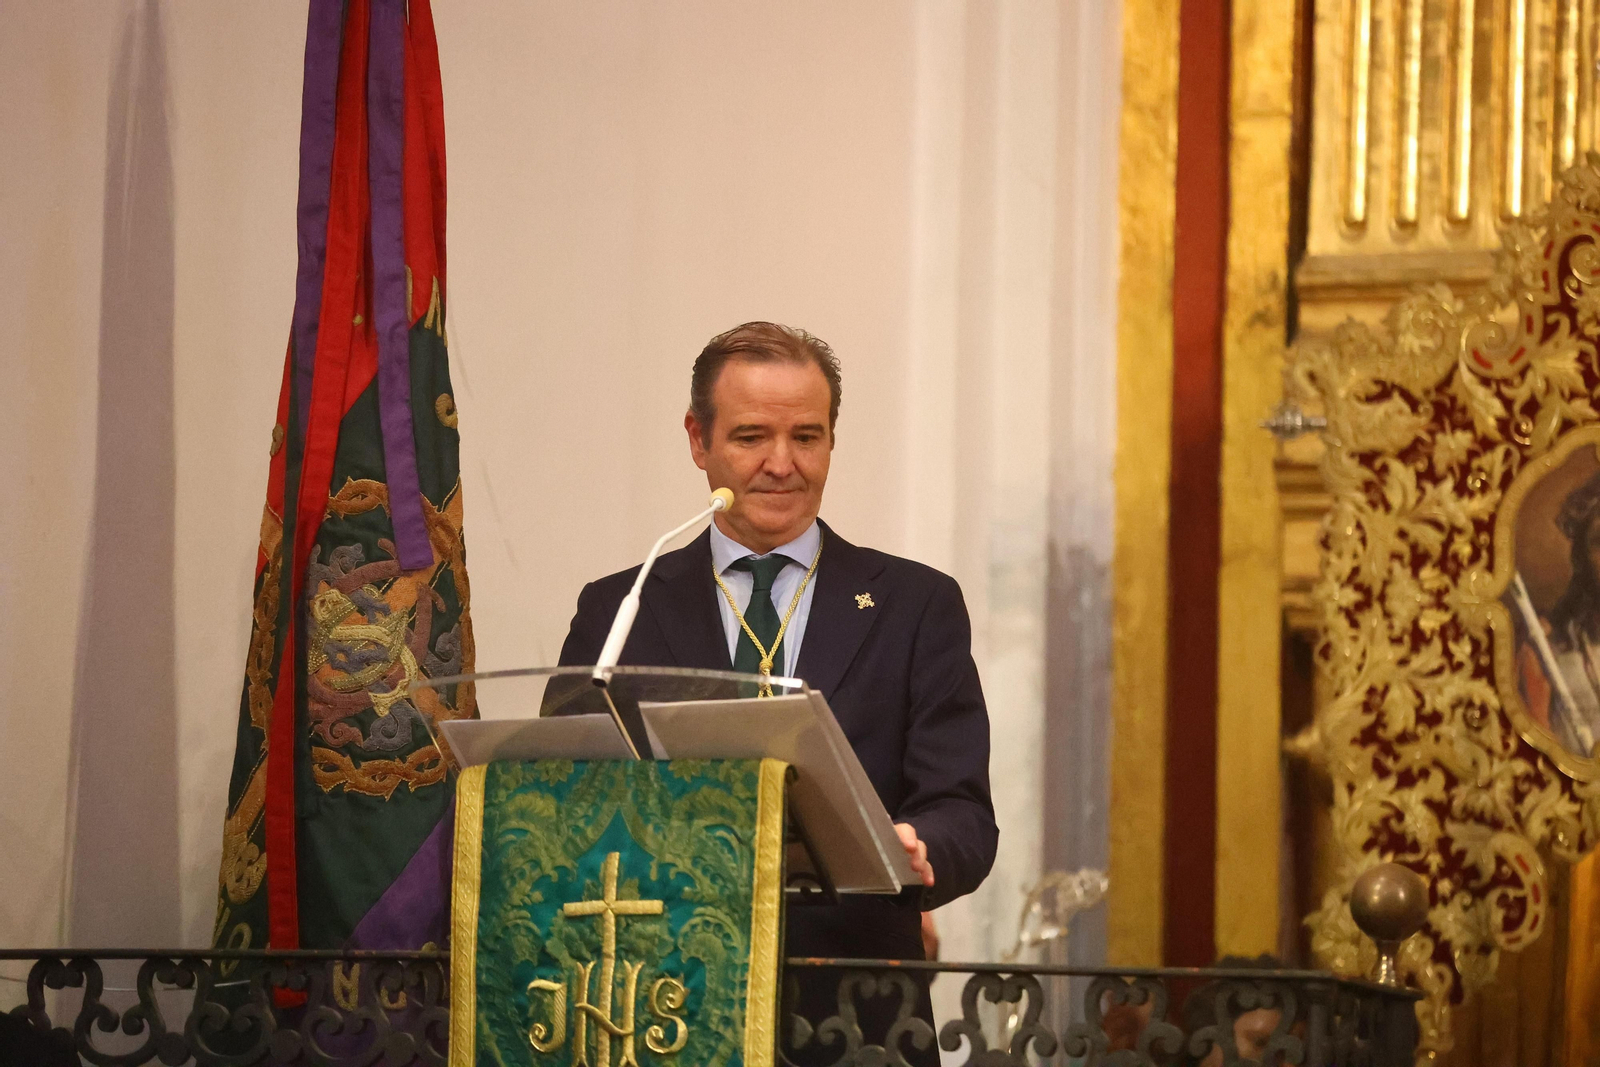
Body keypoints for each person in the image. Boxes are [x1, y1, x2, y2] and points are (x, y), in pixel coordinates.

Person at [555, 322, 998, 1051]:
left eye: (808, 437)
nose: (782, 464)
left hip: (857, 1008)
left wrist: (920, 846)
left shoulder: (916, 604)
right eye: (752, 436)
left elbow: (964, 810)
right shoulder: (622, 607)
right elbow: (566, 797)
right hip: (662, 1002)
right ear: (699, 440)